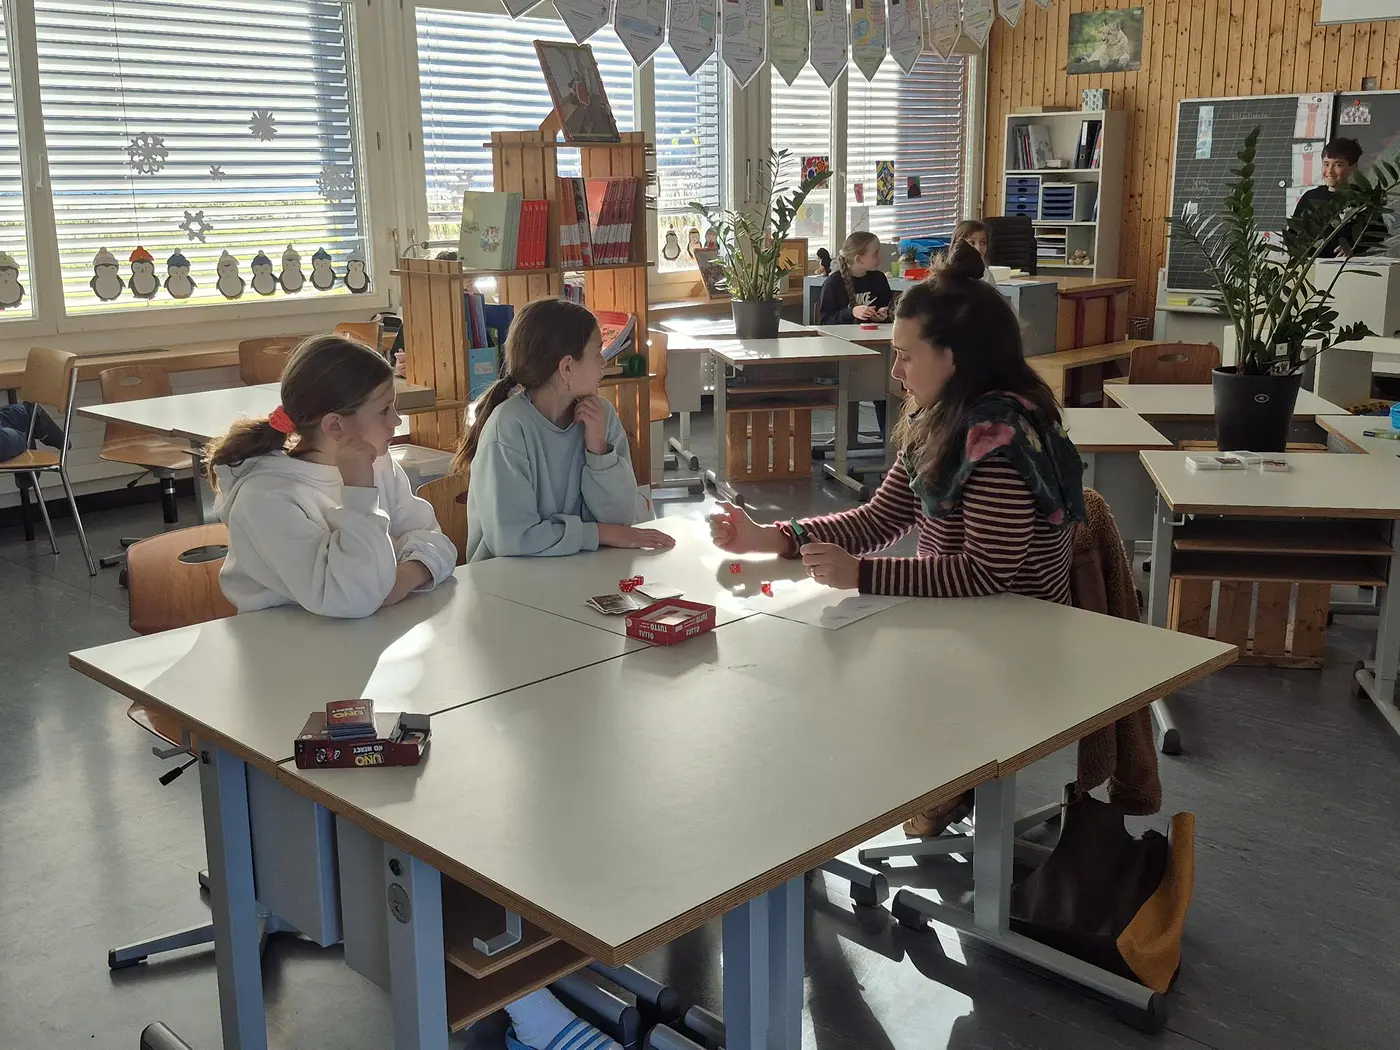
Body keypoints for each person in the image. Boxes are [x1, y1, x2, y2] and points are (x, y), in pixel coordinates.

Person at [711, 243, 1085, 834]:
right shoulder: (944, 418)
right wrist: (771, 537)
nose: (896, 372)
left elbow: (987, 573)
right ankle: (937, 786)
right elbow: (878, 519)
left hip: (1010, 643)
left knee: (828, 678)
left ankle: (925, 789)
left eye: (906, 356)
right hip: (964, 622)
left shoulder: (999, 439)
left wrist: (862, 574)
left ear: (953, 359)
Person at [207, 334, 457, 617]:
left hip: (368, 631)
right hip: (285, 639)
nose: (396, 420)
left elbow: (437, 541)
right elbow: (351, 598)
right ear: (335, 426)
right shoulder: (265, 497)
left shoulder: (378, 464)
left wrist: (398, 582)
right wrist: (360, 493)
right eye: (384, 410)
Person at [457, 297, 674, 562]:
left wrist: (599, 451)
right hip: (511, 577)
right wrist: (600, 534)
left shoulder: (601, 415)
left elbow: (621, 519)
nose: (603, 363)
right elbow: (512, 538)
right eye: (597, 353)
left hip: (580, 567)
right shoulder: (509, 426)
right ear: (567, 367)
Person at [1291, 137, 1389, 258]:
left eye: (1337, 165)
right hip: (1310, 265)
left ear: (1353, 167)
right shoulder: (1310, 197)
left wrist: (1353, 247)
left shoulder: (1363, 199)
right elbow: (1293, 235)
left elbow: (1377, 233)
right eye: (1326, 164)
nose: (1329, 171)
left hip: (1347, 265)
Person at [818, 231, 893, 325]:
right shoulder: (833, 283)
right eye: (875, 254)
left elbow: (890, 310)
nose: (880, 258)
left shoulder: (879, 278)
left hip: (875, 333)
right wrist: (851, 313)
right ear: (858, 260)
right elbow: (825, 321)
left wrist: (886, 316)